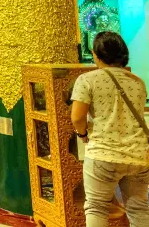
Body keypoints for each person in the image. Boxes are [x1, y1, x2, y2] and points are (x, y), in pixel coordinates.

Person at [71, 31, 149, 227]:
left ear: (96, 54)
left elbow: (77, 116)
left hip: (104, 155)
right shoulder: (137, 82)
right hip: (138, 156)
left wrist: (82, 134)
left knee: (97, 207)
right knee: (139, 209)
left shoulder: (87, 79)